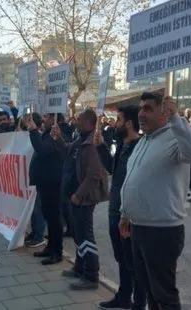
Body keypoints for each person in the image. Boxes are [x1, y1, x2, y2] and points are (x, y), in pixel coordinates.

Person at [119, 93, 191, 310]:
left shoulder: (174, 138)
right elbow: (133, 178)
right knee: (149, 289)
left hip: (162, 231)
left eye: (148, 108)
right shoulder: (144, 141)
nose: (141, 113)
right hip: (138, 227)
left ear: (163, 113)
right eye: (141, 108)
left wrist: (176, 118)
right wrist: (125, 212)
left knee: (164, 295)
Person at [52, 109, 109, 290]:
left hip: (83, 199)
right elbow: (68, 150)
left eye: (80, 121)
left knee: (86, 236)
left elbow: (94, 176)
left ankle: (91, 275)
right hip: (74, 196)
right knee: (79, 235)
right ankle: (79, 267)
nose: (76, 123)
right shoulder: (80, 141)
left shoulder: (92, 144)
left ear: (90, 123)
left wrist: (78, 195)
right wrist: (58, 139)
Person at [96, 105, 145, 309]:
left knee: (134, 262)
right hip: (115, 211)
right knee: (122, 258)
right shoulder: (122, 145)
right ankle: (124, 296)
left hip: (129, 214)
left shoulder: (140, 147)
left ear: (129, 123)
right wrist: (100, 147)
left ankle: (139, 302)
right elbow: (113, 171)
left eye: (118, 119)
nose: (114, 123)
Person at [24, 113, 64, 265]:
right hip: (44, 182)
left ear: (55, 120)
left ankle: (57, 251)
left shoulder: (55, 136)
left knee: (54, 218)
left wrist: (33, 131)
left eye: (47, 116)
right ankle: (50, 246)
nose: (44, 119)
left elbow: (41, 149)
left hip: (52, 183)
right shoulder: (47, 134)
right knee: (48, 216)